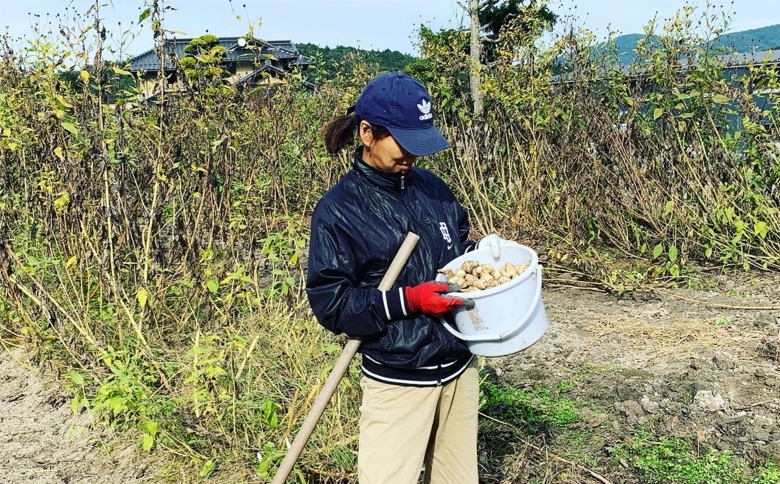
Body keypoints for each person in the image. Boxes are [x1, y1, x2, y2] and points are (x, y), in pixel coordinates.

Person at [306, 71, 506, 484]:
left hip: (458, 366)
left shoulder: (433, 189)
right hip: (399, 377)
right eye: (404, 144)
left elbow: (457, 254)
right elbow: (332, 303)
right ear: (367, 133)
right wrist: (409, 301)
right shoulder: (339, 210)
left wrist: (482, 261)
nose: (413, 157)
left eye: (421, 144)